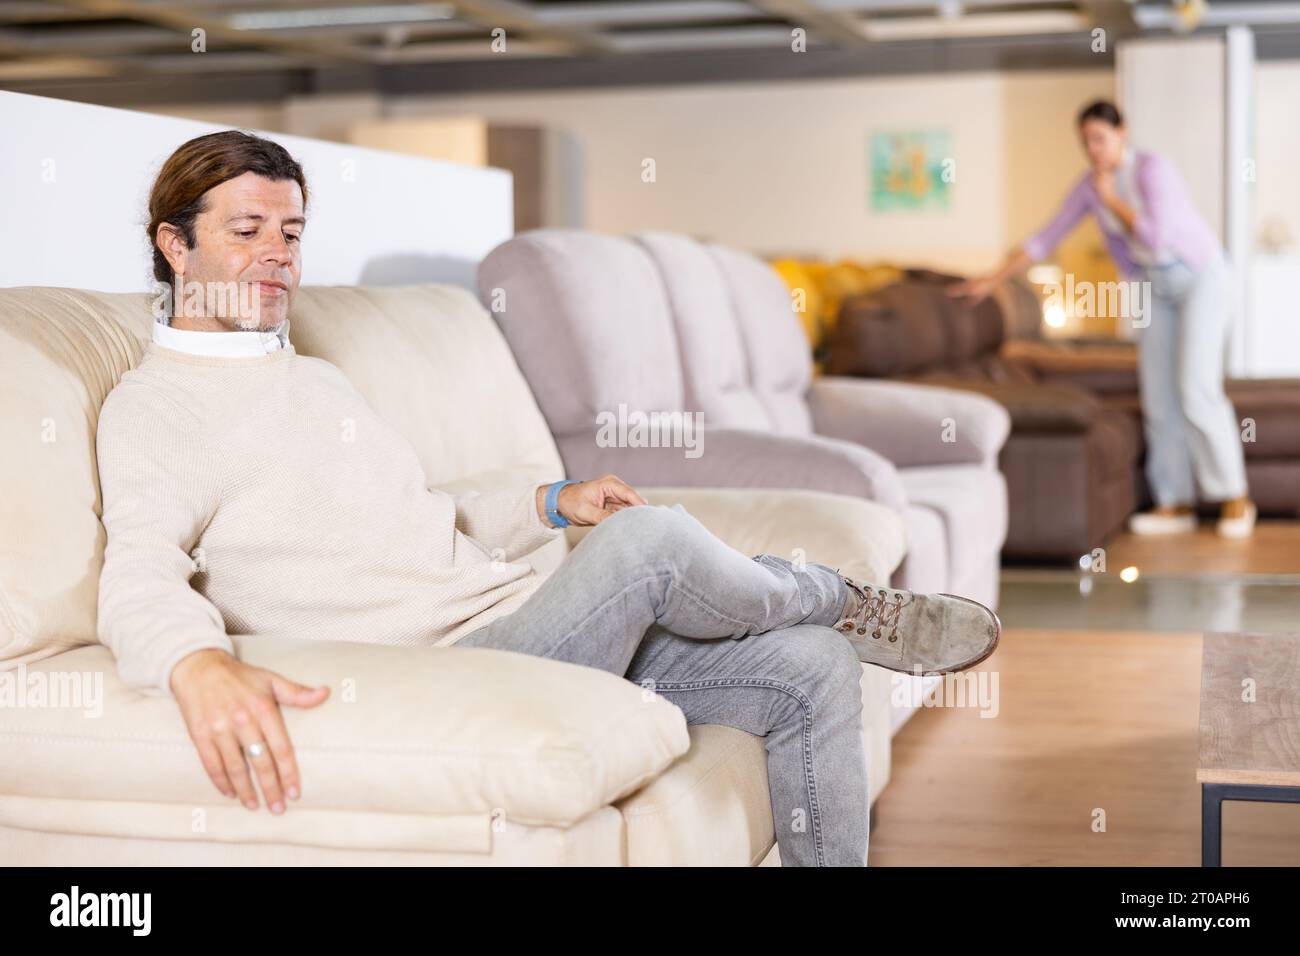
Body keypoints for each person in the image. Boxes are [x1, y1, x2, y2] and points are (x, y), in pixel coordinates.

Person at [96, 130, 1000, 867]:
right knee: (651, 544)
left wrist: (549, 501)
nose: (276, 257)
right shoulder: (157, 412)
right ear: (176, 244)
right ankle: (845, 600)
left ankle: (833, 632)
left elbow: (412, 515)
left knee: (812, 668)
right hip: (453, 667)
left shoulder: (309, 377)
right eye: (246, 230)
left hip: (523, 623)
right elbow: (136, 574)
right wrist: (195, 664)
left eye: (290, 235)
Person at [951, 100, 1254, 539]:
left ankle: (1235, 498)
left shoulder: (1153, 170)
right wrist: (990, 280)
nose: (1093, 150)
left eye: (1100, 139)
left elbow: (1155, 235)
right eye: (1086, 142)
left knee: (1195, 388)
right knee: (1158, 394)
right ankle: (1176, 502)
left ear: (1122, 132)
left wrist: (1111, 197)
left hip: (1201, 277)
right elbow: (1045, 237)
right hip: (1154, 285)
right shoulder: (1088, 187)